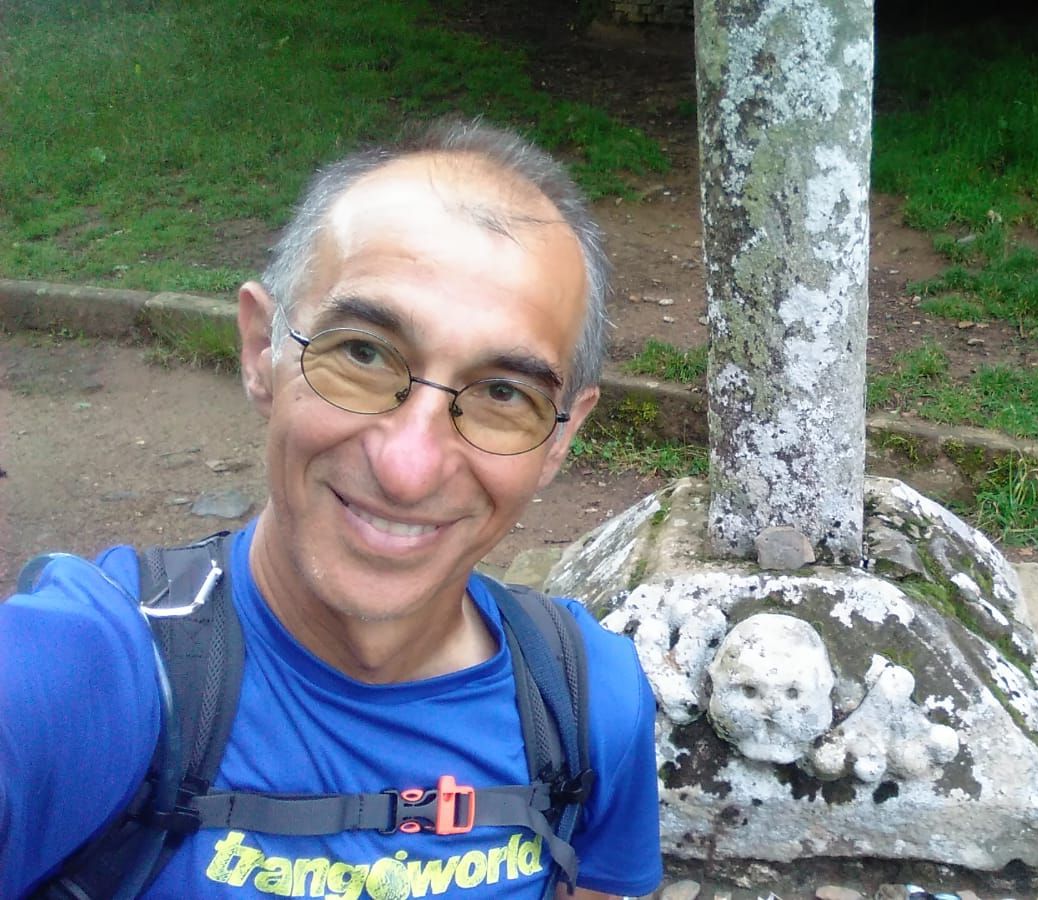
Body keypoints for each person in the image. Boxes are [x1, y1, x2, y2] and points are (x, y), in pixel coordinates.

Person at [0, 119, 664, 898]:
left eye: (503, 393)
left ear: (560, 439)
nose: (408, 470)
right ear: (262, 350)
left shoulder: (589, 701)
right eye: (362, 353)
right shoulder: (86, 676)